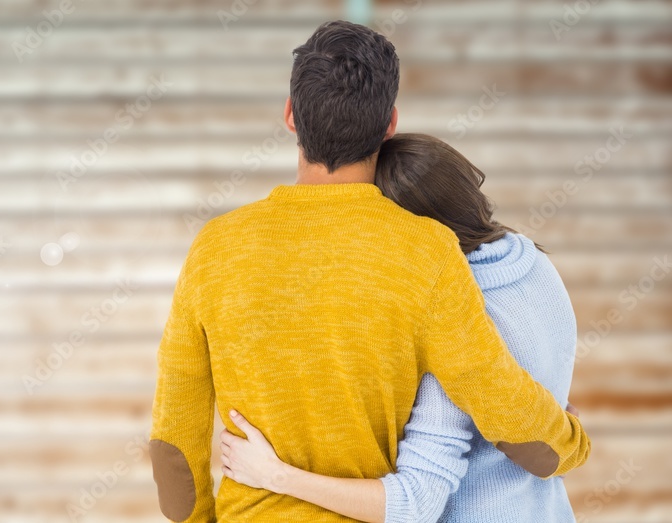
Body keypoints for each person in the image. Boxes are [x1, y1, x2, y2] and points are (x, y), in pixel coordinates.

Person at [150, 21, 590, 523]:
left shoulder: (214, 248)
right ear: (389, 124)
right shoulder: (428, 251)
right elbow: (501, 406)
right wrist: (572, 443)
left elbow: (173, 448)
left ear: (292, 116)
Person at [220, 133, 579, 523]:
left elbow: (414, 503)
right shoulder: (530, 262)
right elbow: (547, 407)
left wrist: (277, 475)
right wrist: (566, 430)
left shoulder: (457, 323)